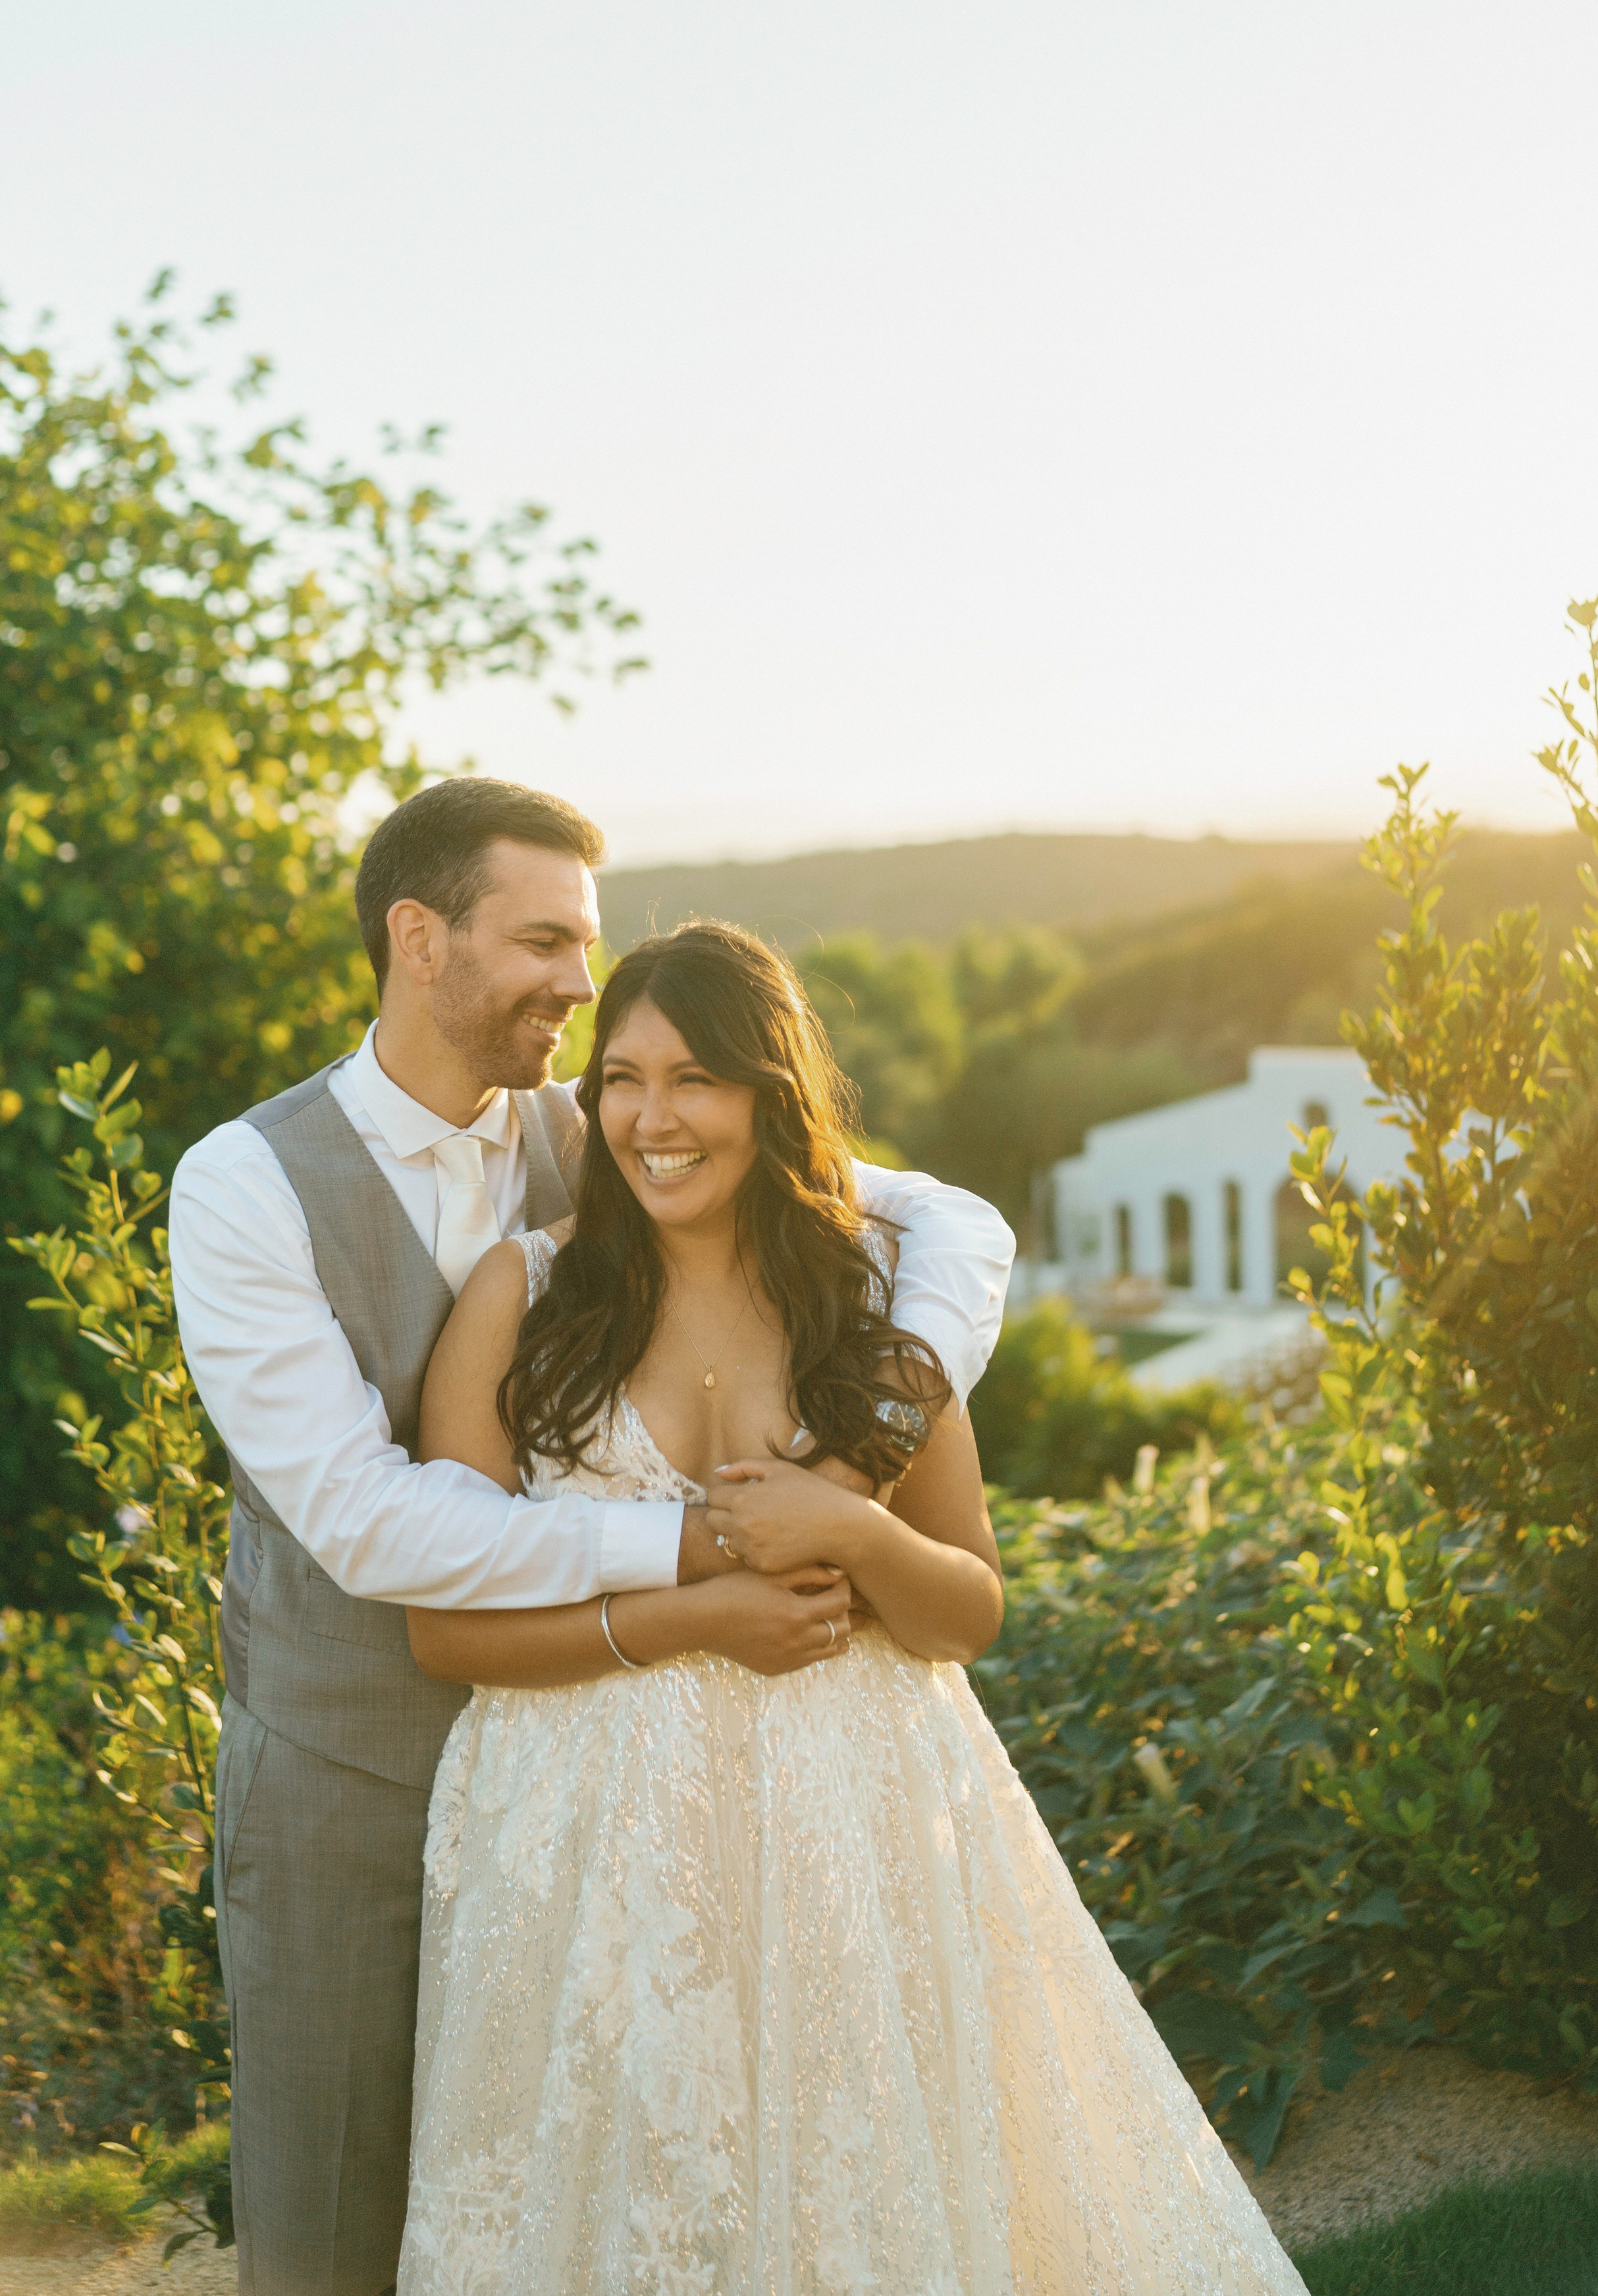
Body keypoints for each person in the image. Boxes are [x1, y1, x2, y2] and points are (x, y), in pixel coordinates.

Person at [168, 779, 1015, 2296]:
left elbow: (943, 1226)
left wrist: (878, 1424)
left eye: (587, 944)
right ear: (419, 940)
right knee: (336, 2229)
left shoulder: (605, 1124)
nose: (577, 981)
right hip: (354, 1771)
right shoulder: (245, 1185)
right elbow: (372, 1523)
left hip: (639, 1798)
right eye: (544, 940)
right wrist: (698, 1557)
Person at [396, 922, 1306, 2296]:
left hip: (854, 1830)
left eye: (696, 1079)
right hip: (588, 1846)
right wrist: (697, 1617)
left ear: (771, 1093)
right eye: (622, 1079)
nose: (652, 1120)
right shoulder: (518, 1301)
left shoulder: (874, 1312)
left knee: (856, 2188)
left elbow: (966, 1609)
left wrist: (852, 1528)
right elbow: (441, 1629)